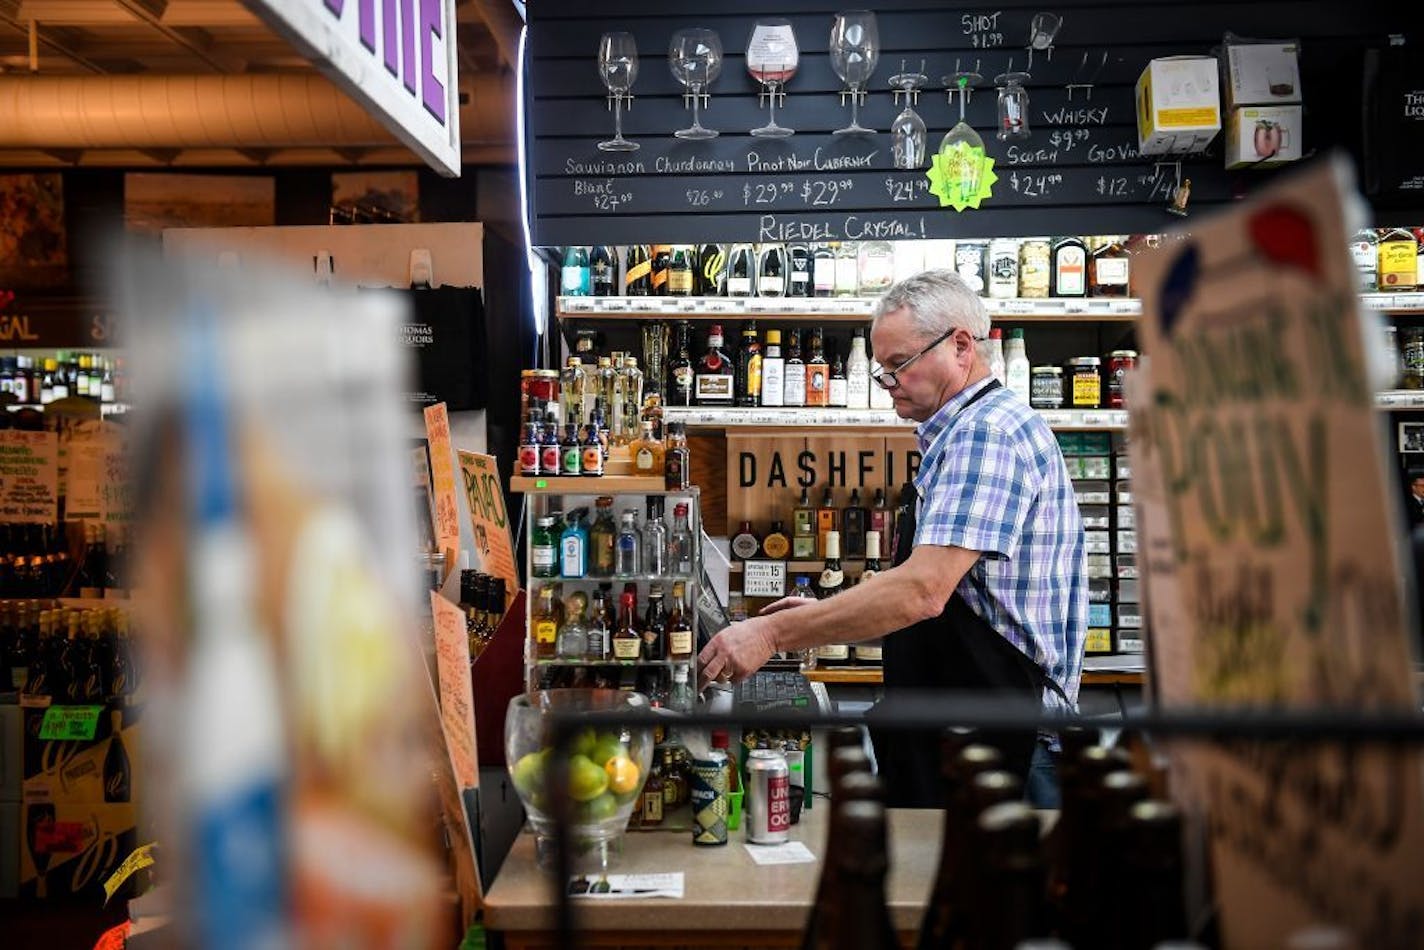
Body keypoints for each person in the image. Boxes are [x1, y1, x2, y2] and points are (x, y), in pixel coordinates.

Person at [698, 270, 1087, 807]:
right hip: (970, 729)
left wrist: (772, 635)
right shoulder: (964, 433)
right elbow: (957, 604)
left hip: (1004, 746)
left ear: (960, 346)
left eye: (898, 365)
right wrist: (823, 617)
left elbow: (922, 592)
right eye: (882, 369)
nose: (888, 382)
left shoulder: (985, 435)